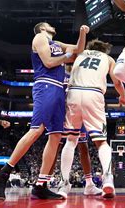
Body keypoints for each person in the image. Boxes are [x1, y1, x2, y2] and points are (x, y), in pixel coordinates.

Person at [0, 22, 89, 200]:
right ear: (43, 27)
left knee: (56, 136)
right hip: (46, 85)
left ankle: (40, 185)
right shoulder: (39, 37)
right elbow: (49, 62)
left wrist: (83, 34)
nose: (53, 26)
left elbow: (79, 50)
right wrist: (67, 56)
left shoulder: (57, 43)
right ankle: (3, 174)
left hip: (59, 89)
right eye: (49, 25)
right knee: (37, 129)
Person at [56, 39, 125, 199]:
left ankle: (63, 184)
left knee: (71, 140)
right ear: (105, 50)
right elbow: (117, 82)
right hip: (93, 93)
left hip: (73, 92)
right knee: (101, 142)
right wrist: (122, 97)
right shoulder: (108, 59)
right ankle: (107, 178)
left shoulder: (79, 53)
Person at [47, 65, 102, 196]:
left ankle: (89, 184)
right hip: (61, 113)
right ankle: (48, 182)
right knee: (54, 147)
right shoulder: (59, 74)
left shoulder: (81, 75)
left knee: (83, 146)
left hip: (78, 112)